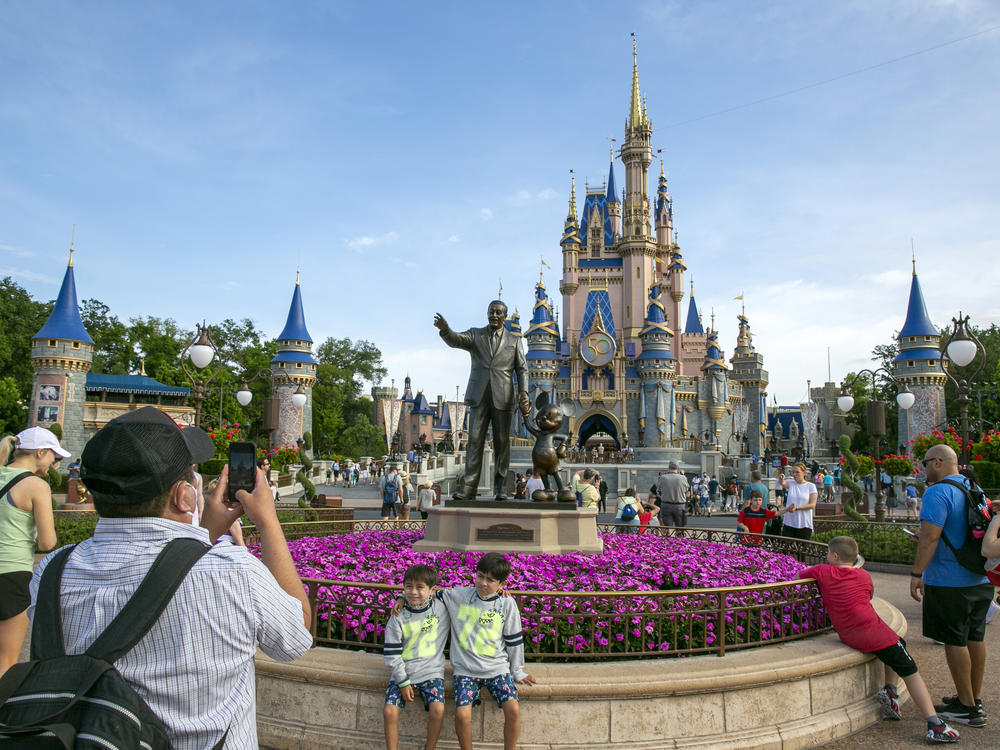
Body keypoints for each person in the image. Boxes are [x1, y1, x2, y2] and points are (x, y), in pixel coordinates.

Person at [28, 406, 312, 747]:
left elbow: (168, 573)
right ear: (184, 495)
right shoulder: (234, 572)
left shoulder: (51, 571)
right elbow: (296, 637)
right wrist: (267, 521)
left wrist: (205, 532)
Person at [799, 536, 960, 743]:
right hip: (872, 633)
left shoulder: (821, 571)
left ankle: (890, 691)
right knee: (911, 672)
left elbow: (801, 574)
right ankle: (934, 724)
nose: (826, 556)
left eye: (828, 553)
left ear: (835, 556)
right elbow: (867, 596)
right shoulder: (863, 576)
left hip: (850, 634)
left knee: (899, 641)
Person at [910, 444, 991, 727]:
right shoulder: (974, 488)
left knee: (954, 640)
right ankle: (971, 698)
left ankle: (966, 710)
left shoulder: (937, 492)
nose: (923, 469)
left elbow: (930, 537)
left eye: (925, 463)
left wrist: (917, 571)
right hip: (980, 579)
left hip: (948, 580)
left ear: (938, 462)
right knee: (975, 639)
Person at [435, 553, 536, 750]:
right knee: (462, 714)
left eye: (490, 580)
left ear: (502, 584)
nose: (483, 583)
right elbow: (430, 594)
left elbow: (513, 640)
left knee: (513, 709)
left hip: (496, 668)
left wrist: (517, 671)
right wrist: (402, 597)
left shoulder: (506, 604)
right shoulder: (459, 595)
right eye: (480, 576)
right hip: (465, 670)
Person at [434, 302, 530, 501]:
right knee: (474, 441)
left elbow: (522, 369)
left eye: (498, 312)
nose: (494, 315)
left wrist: (524, 392)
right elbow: (456, 340)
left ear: (505, 316)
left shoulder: (514, 340)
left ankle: (501, 489)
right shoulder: (476, 335)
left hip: (503, 397)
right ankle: (469, 488)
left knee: (502, 444)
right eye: (491, 312)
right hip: (479, 396)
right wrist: (446, 330)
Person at [0, 427, 64, 675]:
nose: (54, 463)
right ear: (41, 452)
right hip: (12, 575)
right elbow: (47, 543)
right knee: (5, 662)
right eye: (53, 457)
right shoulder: (35, 485)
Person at [383, 564, 449, 750]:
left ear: (432, 590)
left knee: (438, 709)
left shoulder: (442, 607)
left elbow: (469, 594)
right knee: (389, 711)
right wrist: (402, 681)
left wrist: (499, 591)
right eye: (408, 586)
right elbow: (392, 653)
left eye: (420, 587)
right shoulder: (398, 616)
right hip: (403, 672)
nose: (413, 592)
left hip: (431, 672)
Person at [776, 463, 818, 540]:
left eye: (797, 472)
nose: (794, 474)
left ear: (804, 472)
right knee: (787, 548)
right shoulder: (791, 483)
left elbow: (812, 505)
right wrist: (781, 478)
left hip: (804, 522)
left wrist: (797, 508)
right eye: (793, 472)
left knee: (802, 548)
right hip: (789, 522)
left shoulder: (811, 486)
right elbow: (783, 483)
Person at [655, 461, 689, 528]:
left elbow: (658, 490)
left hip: (666, 505)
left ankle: (668, 538)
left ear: (668, 468)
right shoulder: (683, 478)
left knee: (667, 529)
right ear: (678, 468)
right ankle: (679, 537)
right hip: (680, 506)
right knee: (680, 529)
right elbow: (686, 491)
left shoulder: (663, 478)